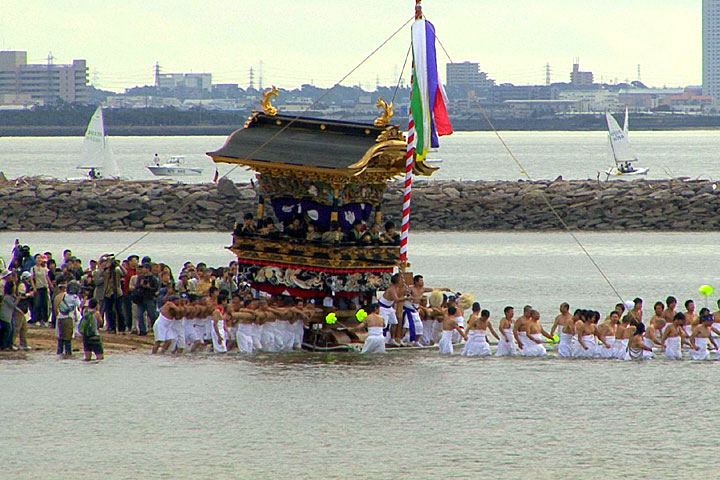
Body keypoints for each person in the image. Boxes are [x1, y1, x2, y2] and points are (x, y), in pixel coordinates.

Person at [56, 281, 82, 358]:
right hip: (68, 318)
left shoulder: (65, 295)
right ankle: (68, 353)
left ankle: (59, 352)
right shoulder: (74, 297)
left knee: (61, 337)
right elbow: (80, 305)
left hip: (60, 318)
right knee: (68, 338)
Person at [379, 274, 403, 346]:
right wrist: (406, 298)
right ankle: (382, 339)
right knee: (384, 324)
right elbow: (396, 299)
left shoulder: (397, 288)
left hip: (389, 307)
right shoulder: (392, 289)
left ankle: (392, 339)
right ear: (397, 281)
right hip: (383, 308)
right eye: (401, 279)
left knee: (394, 322)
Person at [30, 255, 51, 327]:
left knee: (45, 304)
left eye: (40, 259)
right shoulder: (33, 269)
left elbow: (47, 277)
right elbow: (31, 279)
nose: (39, 260)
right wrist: (34, 287)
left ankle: (45, 320)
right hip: (38, 288)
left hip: (44, 287)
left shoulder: (45, 269)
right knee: (37, 304)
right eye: (37, 258)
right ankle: (36, 319)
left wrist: (50, 285)